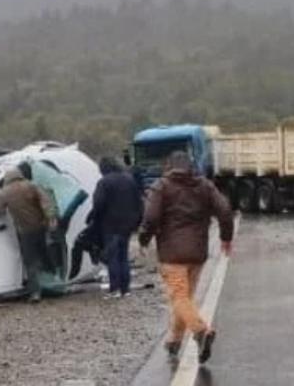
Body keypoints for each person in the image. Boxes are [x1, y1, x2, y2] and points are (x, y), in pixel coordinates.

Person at [139, 151, 234, 363]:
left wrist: (144, 239)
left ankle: (201, 332)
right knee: (185, 299)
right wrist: (226, 237)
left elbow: (151, 217)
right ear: (191, 167)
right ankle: (174, 341)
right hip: (197, 252)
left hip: (171, 253)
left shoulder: (161, 186)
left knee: (179, 297)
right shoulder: (205, 186)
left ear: (169, 166)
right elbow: (225, 210)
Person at [0, 166, 58, 303]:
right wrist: (51, 218)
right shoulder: (31, 185)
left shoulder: (4, 193)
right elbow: (46, 202)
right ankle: (55, 279)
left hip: (25, 231)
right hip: (40, 226)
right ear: (20, 175)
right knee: (45, 252)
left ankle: (35, 293)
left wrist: (5, 211)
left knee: (30, 262)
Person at [88, 156, 144, 299]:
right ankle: (126, 289)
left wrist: (93, 218)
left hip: (110, 225)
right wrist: (137, 222)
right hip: (127, 225)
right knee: (123, 257)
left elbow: (98, 204)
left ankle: (115, 289)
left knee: (112, 257)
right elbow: (139, 202)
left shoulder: (104, 182)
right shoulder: (129, 179)